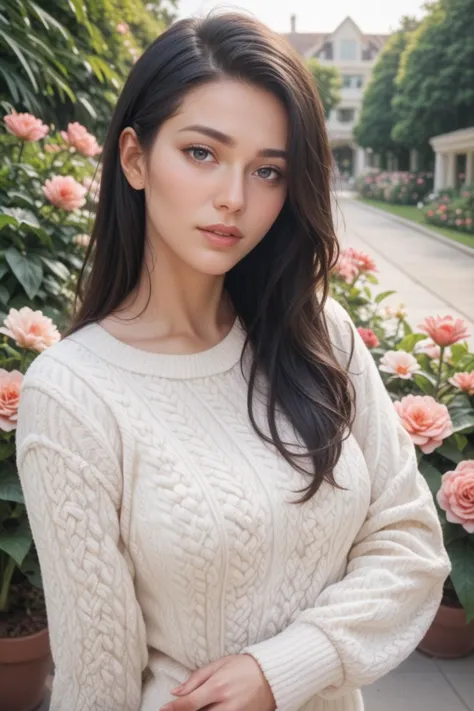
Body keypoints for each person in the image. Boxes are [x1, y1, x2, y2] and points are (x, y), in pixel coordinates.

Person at [16, 12, 450, 711]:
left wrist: (283, 667)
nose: (234, 198)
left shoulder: (319, 335)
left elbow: (410, 542)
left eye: (268, 170)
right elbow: (98, 681)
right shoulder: (74, 392)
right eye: (201, 153)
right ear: (134, 158)